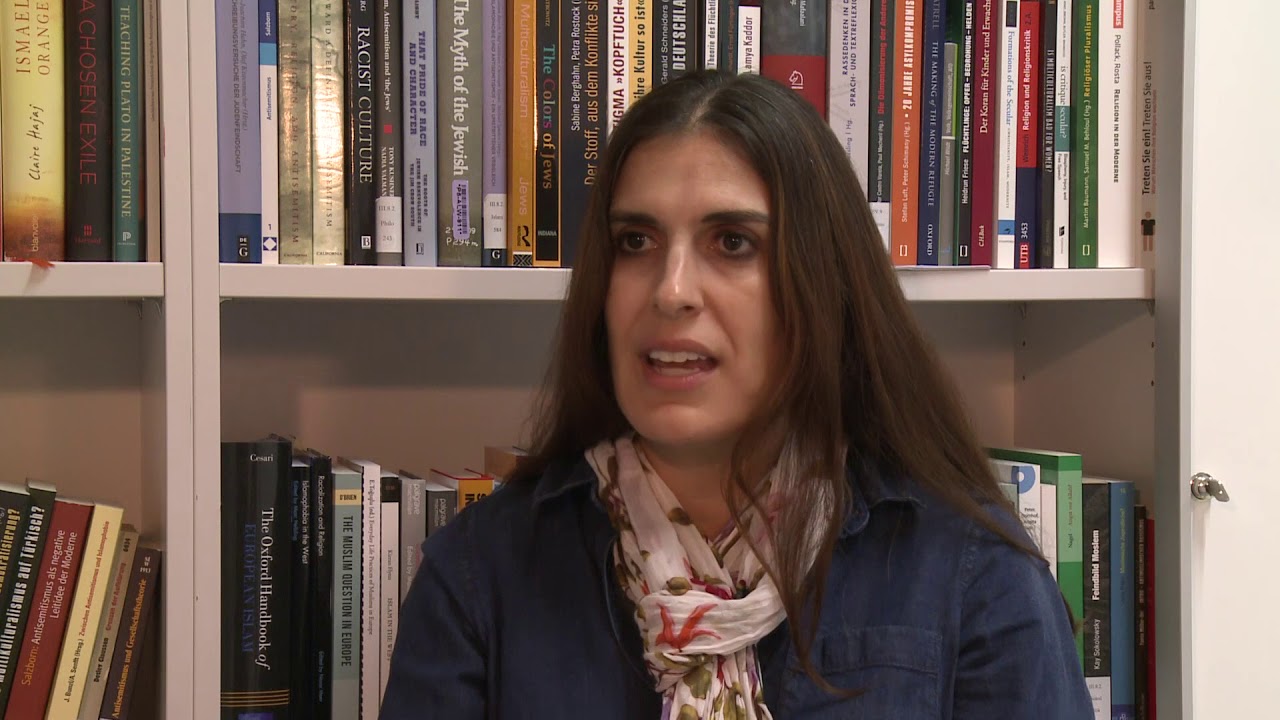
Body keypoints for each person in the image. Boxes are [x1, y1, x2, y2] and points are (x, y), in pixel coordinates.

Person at [380, 69, 1092, 719]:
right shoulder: (481, 572)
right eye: (636, 242)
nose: (671, 290)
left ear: (822, 284)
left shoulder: (973, 577)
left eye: (732, 243)